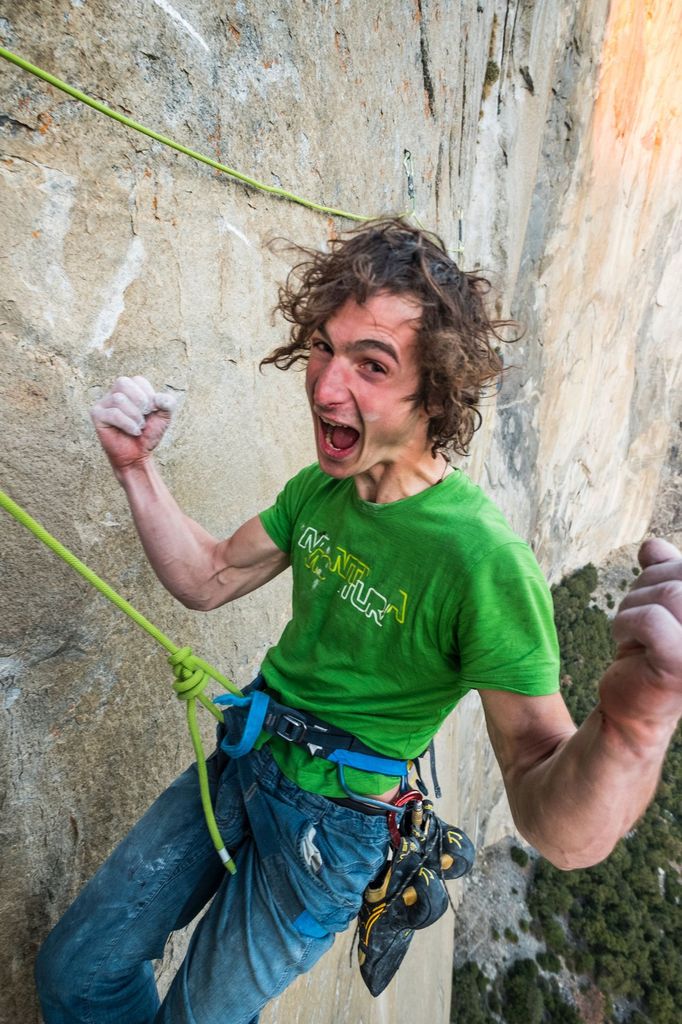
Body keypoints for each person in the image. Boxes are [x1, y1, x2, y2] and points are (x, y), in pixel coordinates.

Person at [35, 219, 682, 1024]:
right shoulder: (322, 489)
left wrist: (634, 722)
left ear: (435, 392)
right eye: (323, 348)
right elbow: (208, 577)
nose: (325, 385)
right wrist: (137, 470)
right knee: (75, 972)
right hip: (248, 757)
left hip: (334, 832)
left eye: (370, 365)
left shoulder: (481, 559)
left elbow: (558, 823)